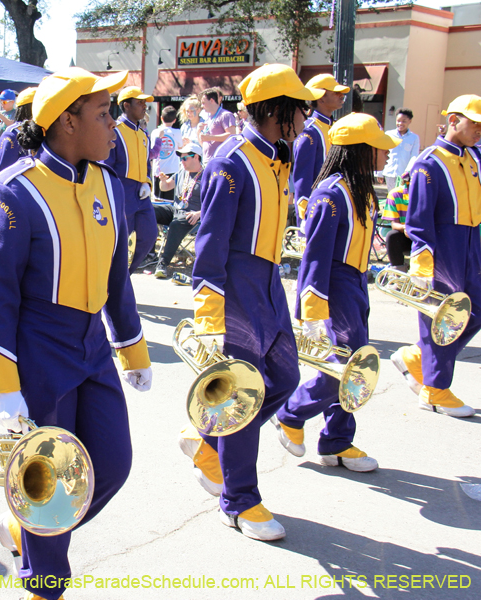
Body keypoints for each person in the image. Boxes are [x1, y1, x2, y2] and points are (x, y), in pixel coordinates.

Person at [0, 66, 151, 600]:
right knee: (52, 472)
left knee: (112, 463)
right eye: (103, 115)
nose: (114, 126)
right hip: (38, 346)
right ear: (67, 122)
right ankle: (42, 583)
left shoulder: (107, 183)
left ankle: (26, 527)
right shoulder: (14, 191)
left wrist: (133, 347)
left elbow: (115, 273)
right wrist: (3, 381)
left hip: (92, 343)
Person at [181, 64, 321, 541]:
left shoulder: (280, 157)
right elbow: (210, 244)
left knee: (285, 378)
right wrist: (208, 316)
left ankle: (211, 443)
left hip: (267, 284)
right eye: (300, 107)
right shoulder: (231, 162)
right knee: (245, 392)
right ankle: (240, 501)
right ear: (278, 110)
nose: (307, 115)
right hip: (235, 286)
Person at [273, 113, 399, 473]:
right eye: (380, 148)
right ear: (362, 150)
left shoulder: (359, 188)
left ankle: (337, 440)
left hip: (356, 283)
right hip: (336, 286)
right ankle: (290, 413)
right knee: (351, 366)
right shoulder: (331, 193)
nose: (387, 154)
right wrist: (312, 310)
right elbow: (315, 257)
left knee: (351, 363)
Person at [390, 95, 481, 419]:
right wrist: (423, 265)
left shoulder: (474, 158)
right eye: (474, 123)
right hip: (444, 248)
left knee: (476, 310)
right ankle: (435, 390)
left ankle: (419, 358)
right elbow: (418, 221)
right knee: (443, 319)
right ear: (453, 120)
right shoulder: (429, 162)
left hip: (472, 242)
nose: (479, 130)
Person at [103, 86, 156, 271]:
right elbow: (106, 165)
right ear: (126, 105)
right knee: (119, 242)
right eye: (139, 103)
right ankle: (115, 282)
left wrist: (147, 182)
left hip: (141, 193)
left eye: (145, 103)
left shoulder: (143, 134)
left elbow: (147, 164)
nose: (144, 107)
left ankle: (125, 276)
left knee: (149, 235)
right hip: (122, 190)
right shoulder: (115, 131)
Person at [291, 74, 349, 224]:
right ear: (321, 97)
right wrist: (305, 216)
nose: (341, 96)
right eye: (336, 92)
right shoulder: (309, 131)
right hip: (317, 210)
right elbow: (302, 179)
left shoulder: (335, 127)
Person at [153, 142, 203, 279]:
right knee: (150, 210)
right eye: (181, 158)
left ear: (196, 157)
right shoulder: (182, 172)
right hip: (176, 210)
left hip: (191, 215)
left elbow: (214, 202)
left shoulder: (206, 176)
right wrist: (162, 181)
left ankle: (162, 264)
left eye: (185, 158)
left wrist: (199, 213)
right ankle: (149, 253)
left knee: (176, 224)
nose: (182, 161)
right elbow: (166, 187)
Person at [380, 158, 417, 272]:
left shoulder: (431, 194)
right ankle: (398, 273)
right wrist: (406, 228)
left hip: (426, 236)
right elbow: (394, 224)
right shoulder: (396, 194)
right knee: (392, 236)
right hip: (406, 235)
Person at [0, 87, 35, 173]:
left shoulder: (45, 131)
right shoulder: (12, 134)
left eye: (4, 102)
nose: (2, 104)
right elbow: (3, 172)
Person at [381, 108, 421, 192]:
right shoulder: (388, 134)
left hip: (404, 174)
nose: (400, 123)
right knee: (391, 196)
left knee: (401, 197)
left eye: (404, 121)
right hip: (389, 173)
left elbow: (414, 156)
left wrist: (408, 171)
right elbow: (381, 152)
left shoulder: (414, 138)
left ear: (410, 121)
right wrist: (379, 173)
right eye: (398, 121)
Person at [151, 105, 183, 199]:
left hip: (158, 170)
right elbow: (180, 148)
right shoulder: (177, 132)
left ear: (161, 118)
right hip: (172, 169)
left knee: (157, 198)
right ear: (175, 120)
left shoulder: (155, 132)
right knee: (170, 199)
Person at [197, 87, 237, 163]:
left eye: (203, 103)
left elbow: (232, 136)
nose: (202, 106)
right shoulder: (208, 118)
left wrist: (210, 137)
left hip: (220, 160)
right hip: (207, 160)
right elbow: (203, 143)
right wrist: (198, 131)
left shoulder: (225, 115)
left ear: (211, 100)